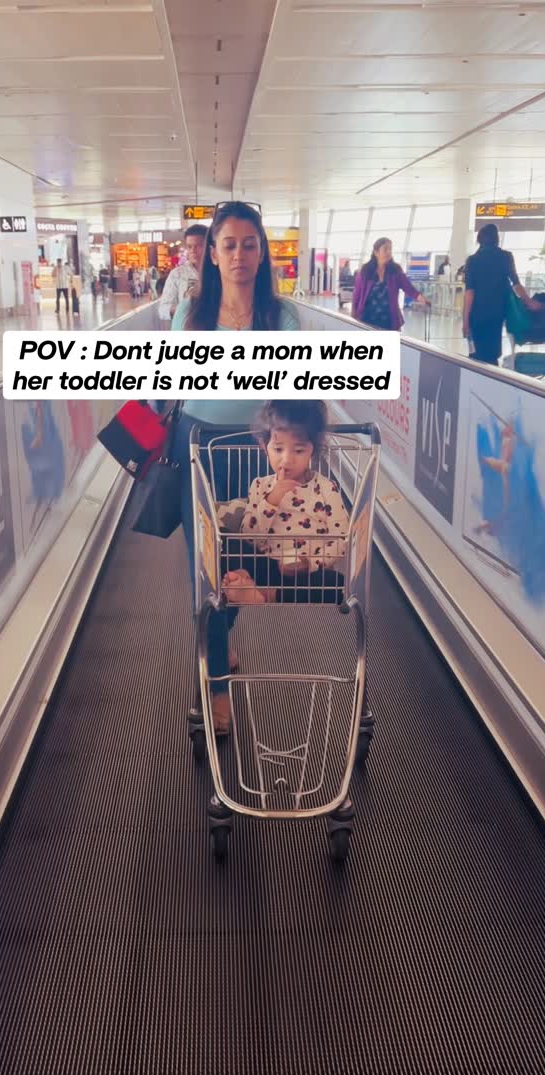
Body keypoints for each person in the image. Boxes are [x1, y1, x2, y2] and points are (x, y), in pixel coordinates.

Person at [170, 200, 300, 735]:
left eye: (249, 244)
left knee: (241, 563)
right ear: (213, 254)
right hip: (197, 448)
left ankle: (222, 639)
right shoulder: (191, 316)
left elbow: (295, 386)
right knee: (205, 570)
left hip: (254, 453)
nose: (240, 255)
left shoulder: (282, 318)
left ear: (262, 251)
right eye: (229, 245)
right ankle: (217, 686)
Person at [221, 401, 348, 606]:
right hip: (265, 565)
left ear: (313, 451)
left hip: (305, 573)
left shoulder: (326, 489)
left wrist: (311, 563)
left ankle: (262, 594)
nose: (287, 460)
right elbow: (249, 537)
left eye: (298, 450)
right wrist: (271, 500)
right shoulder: (260, 486)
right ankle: (244, 577)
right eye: (278, 449)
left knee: (337, 584)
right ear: (265, 447)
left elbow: (342, 538)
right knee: (223, 542)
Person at [463, 223, 542, 366]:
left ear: (479, 239)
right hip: (497, 312)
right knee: (492, 352)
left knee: (477, 353)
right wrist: (529, 301)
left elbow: (470, 292)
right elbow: (516, 283)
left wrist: (465, 320)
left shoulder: (472, 261)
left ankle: (476, 376)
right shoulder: (506, 257)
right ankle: (492, 374)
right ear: (497, 239)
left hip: (477, 313)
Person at [352, 237, 429, 330]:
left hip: (389, 321)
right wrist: (353, 316)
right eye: (385, 249)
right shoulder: (366, 270)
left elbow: (408, 287)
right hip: (367, 319)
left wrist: (420, 297)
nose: (389, 252)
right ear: (376, 252)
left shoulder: (395, 270)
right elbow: (357, 295)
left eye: (390, 249)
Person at [158, 224, 207, 321]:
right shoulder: (177, 274)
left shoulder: (220, 271)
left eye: (198, 246)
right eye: (189, 247)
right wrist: (183, 309)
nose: (193, 250)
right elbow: (163, 310)